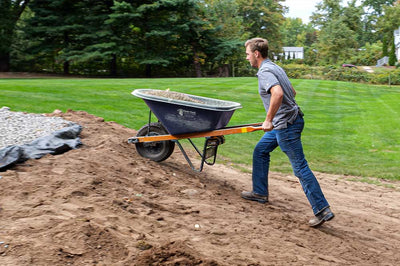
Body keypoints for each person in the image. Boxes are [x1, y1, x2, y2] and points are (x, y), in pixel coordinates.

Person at [241, 37, 334, 227]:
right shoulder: (275, 67)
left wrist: (269, 120)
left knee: (299, 167)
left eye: (248, 54)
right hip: (289, 120)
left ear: (256, 54)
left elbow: (278, 93)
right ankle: (259, 192)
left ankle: (322, 209)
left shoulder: (265, 71)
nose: (247, 58)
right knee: (261, 151)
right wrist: (274, 117)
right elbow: (292, 91)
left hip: (286, 126)